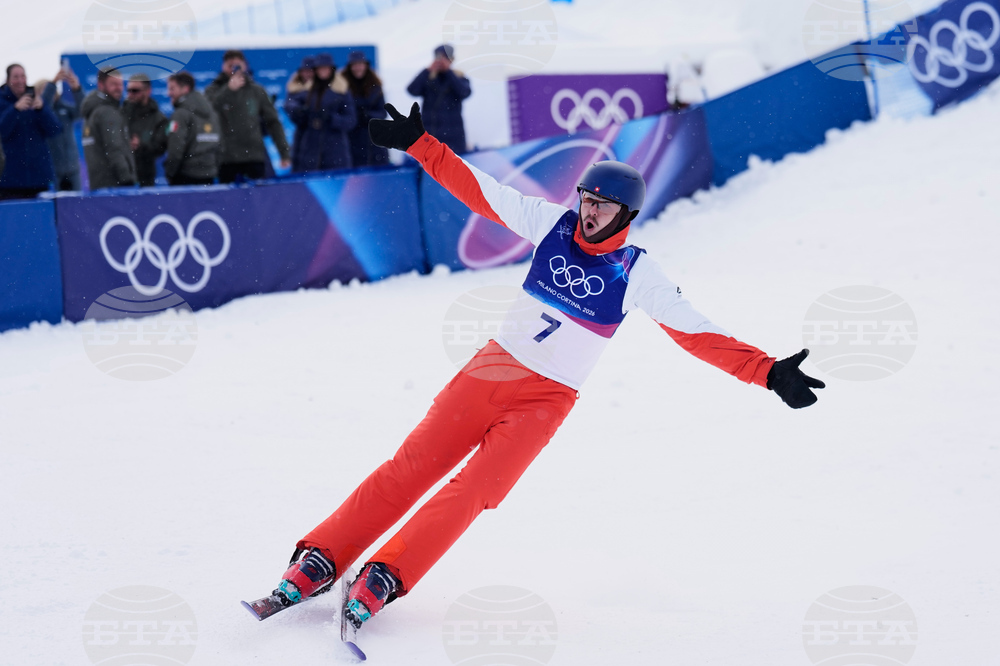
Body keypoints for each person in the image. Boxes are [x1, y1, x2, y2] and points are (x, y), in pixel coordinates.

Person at [256, 103, 826, 632]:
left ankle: (386, 574)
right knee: (409, 469)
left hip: (545, 402)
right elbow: (481, 192)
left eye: (601, 204)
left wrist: (768, 371)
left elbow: (695, 332)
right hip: (491, 372)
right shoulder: (551, 224)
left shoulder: (637, 271)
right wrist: (420, 143)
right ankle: (321, 558)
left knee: (473, 491)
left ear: (625, 214)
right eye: (585, 197)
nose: (589, 210)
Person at [205, 50, 290, 182]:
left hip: (253, 156)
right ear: (223, 67)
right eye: (230, 65)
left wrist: (284, 153)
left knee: (257, 198)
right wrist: (229, 90)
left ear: (245, 66)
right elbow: (209, 110)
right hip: (226, 157)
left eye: (237, 65)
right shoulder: (213, 90)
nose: (234, 69)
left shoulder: (257, 91)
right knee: (229, 199)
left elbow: (273, 122)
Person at [283, 53, 356, 173]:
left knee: (335, 187)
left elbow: (351, 120)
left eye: (326, 68)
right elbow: (290, 103)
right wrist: (299, 112)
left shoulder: (341, 91)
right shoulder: (308, 90)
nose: (323, 72)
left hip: (335, 150)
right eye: (320, 68)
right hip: (310, 150)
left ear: (332, 69)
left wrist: (331, 119)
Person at [0, 63, 62, 200]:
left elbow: (55, 130)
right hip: (9, 181)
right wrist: (15, 109)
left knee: (42, 220)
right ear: (7, 80)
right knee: (13, 220)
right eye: (15, 77)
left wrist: (42, 109)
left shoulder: (36, 100)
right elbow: (2, 132)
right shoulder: (2, 102)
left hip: (39, 178)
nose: (20, 81)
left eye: (23, 76)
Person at [406, 44, 471, 154]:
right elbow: (412, 90)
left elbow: (465, 92)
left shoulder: (458, 77)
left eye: (445, 58)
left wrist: (449, 72)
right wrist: (427, 70)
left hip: (454, 133)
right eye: (439, 58)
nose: (441, 62)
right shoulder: (428, 78)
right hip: (431, 133)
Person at [80, 68, 136, 190]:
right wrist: (126, 178)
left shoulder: (92, 110)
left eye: (120, 84)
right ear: (101, 85)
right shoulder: (107, 112)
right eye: (113, 84)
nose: (119, 88)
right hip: (115, 185)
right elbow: (114, 148)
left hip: (99, 185)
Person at [163, 71, 220, 186]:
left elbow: (176, 149)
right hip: (208, 176)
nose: (168, 93)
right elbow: (220, 145)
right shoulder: (212, 114)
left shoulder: (180, 114)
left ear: (185, 89)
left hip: (185, 177)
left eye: (172, 89)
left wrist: (170, 173)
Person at [40, 65, 84, 191]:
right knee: (56, 206)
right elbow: (44, 108)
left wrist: (76, 89)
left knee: (77, 205)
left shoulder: (64, 108)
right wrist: (52, 83)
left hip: (72, 168)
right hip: (53, 170)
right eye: (46, 90)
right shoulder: (40, 113)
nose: (51, 93)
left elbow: (82, 111)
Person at [342, 51, 388, 167]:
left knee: (377, 170)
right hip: (351, 138)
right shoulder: (342, 87)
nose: (358, 68)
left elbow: (382, 112)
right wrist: (354, 116)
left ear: (366, 65)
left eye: (360, 64)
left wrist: (368, 115)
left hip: (374, 138)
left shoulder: (375, 86)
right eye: (355, 64)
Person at [123, 73, 168, 187]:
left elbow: (161, 147)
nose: (130, 94)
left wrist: (141, 146)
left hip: (146, 177)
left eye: (135, 90)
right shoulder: (121, 114)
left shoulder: (158, 118)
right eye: (128, 90)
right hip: (122, 175)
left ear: (148, 91)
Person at [286, 56, 315, 171]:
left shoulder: (327, 89)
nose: (307, 74)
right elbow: (289, 105)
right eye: (305, 71)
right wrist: (299, 109)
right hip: (302, 135)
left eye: (310, 71)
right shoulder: (294, 88)